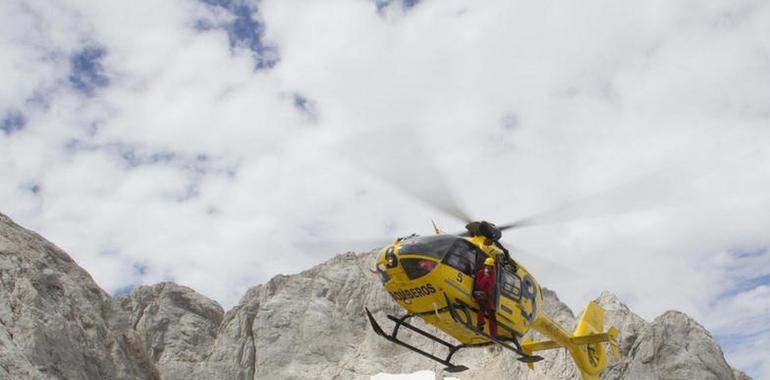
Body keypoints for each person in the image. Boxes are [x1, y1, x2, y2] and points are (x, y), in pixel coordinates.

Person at [473, 257, 497, 336]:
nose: (488, 268)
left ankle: (493, 333)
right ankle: (480, 325)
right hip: (479, 293)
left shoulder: (492, 274)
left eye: (490, 267)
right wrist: (485, 277)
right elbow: (480, 285)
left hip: (487, 295)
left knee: (492, 313)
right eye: (487, 266)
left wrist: (487, 277)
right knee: (482, 307)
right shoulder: (480, 273)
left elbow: (490, 285)